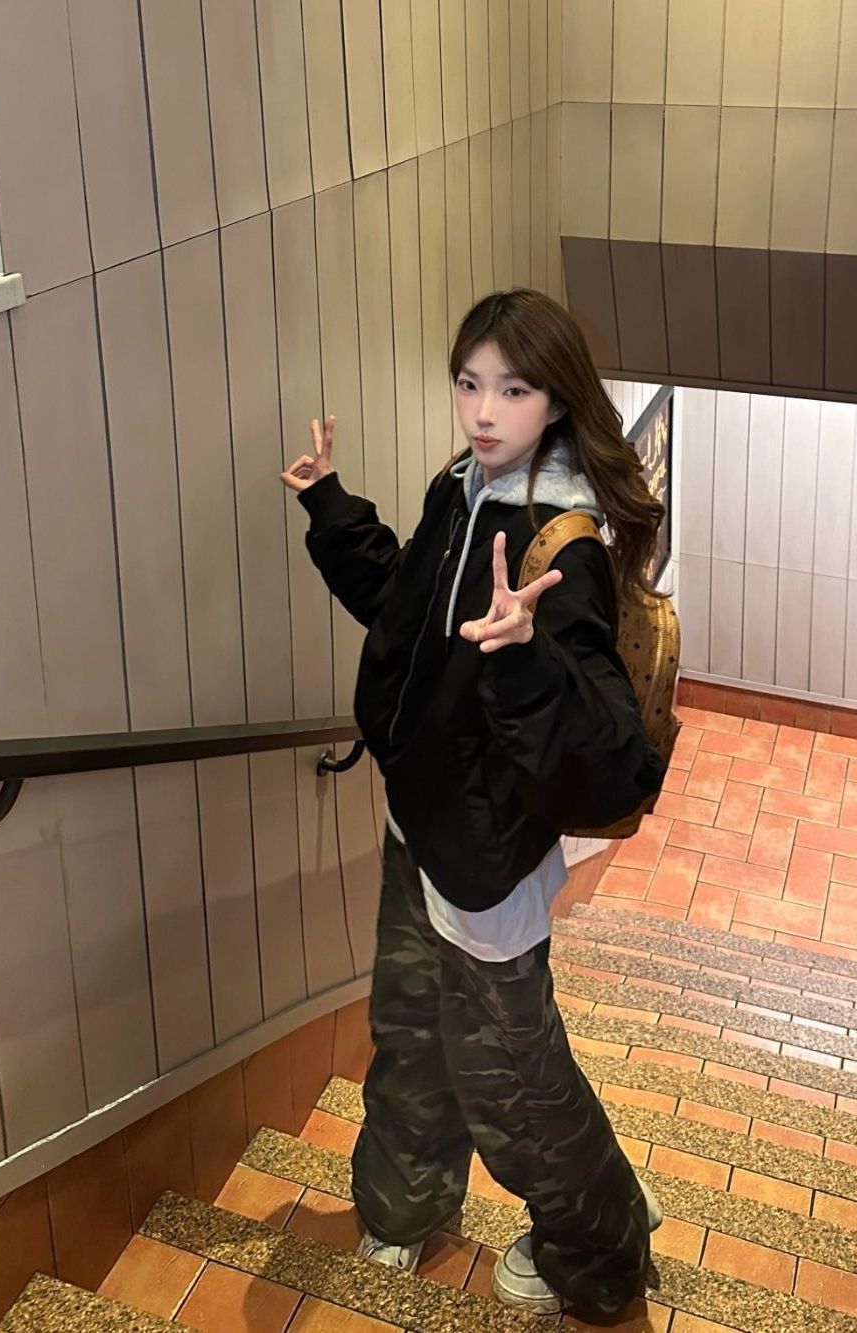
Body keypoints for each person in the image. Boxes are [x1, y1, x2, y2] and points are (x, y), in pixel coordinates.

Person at [281, 288, 668, 1317]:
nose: (484, 410)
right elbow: (405, 614)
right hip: (420, 823)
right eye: (469, 382)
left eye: (513, 389)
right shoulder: (464, 489)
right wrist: (332, 508)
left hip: (487, 862)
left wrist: (526, 654)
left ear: (558, 400)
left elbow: (614, 762)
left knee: (515, 1084)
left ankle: (602, 1244)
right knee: (409, 1028)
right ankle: (403, 1207)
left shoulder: (559, 545)